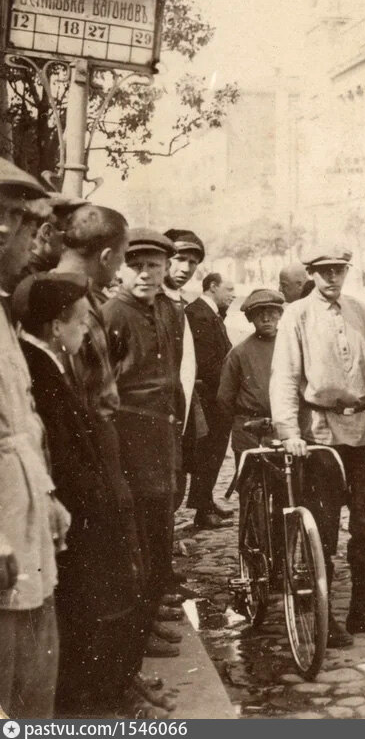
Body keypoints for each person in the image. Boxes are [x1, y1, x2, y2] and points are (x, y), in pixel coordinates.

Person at [269, 248, 365, 642]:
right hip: (320, 431)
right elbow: (285, 374)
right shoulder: (296, 315)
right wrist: (289, 432)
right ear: (313, 274)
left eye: (339, 271)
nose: (332, 278)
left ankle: (360, 610)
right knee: (324, 527)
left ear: (347, 273)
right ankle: (321, 615)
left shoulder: (358, 311)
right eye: (324, 272)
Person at [15, 273, 141, 717]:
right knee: (81, 607)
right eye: (82, 322)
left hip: (75, 507)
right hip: (68, 510)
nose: (87, 330)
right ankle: (86, 706)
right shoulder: (39, 366)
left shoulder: (51, 359)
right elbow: (62, 453)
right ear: (55, 325)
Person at [54, 205, 163, 715]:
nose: (123, 267)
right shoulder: (69, 301)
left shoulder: (88, 299)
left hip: (102, 449)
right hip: (84, 457)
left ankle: (120, 680)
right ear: (105, 254)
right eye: (121, 257)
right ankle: (103, 694)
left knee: (124, 572)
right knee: (99, 585)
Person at [0, 166, 66, 718]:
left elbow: (22, 421)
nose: (34, 248)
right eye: (28, 230)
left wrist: (47, 495)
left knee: (31, 688)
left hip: (24, 517)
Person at [101, 229, 182, 662]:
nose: (146, 274)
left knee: (158, 535)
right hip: (130, 442)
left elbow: (174, 377)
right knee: (135, 539)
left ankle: (150, 617)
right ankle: (139, 628)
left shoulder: (168, 311)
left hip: (163, 439)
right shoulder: (112, 313)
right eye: (136, 266)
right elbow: (103, 388)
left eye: (154, 265)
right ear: (121, 269)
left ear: (167, 268)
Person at [185, 272, 235, 529]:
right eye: (229, 288)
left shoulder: (211, 312)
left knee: (213, 453)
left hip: (214, 395)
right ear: (212, 287)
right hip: (209, 397)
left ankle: (205, 501)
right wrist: (233, 384)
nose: (233, 294)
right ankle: (202, 510)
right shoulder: (199, 313)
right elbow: (208, 364)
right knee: (208, 453)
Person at [161, 228, 202, 512]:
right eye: (179, 259)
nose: (185, 268)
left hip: (181, 411)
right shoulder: (153, 303)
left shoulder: (180, 303)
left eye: (193, 262)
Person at [218, 289, 284, 459]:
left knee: (288, 481)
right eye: (259, 314)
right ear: (250, 318)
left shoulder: (290, 346)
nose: (266, 319)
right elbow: (224, 398)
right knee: (251, 482)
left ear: (280, 314)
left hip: (284, 427)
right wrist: (243, 425)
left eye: (271, 312)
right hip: (249, 431)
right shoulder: (239, 353)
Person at [23, 194, 89, 276]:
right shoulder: (27, 276)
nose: (76, 244)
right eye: (70, 235)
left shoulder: (39, 271)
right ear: (47, 233)